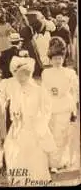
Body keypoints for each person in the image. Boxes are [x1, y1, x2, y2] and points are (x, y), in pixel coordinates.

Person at [3, 55, 55, 186]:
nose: (19, 79)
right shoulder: (16, 90)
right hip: (20, 126)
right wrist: (15, 116)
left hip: (35, 127)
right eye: (17, 75)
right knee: (16, 152)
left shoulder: (39, 90)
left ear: (28, 75)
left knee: (35, 155)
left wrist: (39, 123)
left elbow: (46, 110)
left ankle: (37, 179)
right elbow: (13, 108)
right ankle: (21, 179)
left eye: (22, 76)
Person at [42, 37, 79, 172]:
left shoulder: (70, 73)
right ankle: (50, 160)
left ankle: (56, 163)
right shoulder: (46, 72)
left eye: (60, 58)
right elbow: (44, 91)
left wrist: (74, 109)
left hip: (64, 107)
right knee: (50, 133)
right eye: (55, 58)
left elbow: (75, 91)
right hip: (50, 107)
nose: (58, 61)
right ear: (50, 60)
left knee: (61, 134)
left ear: (63, 58)